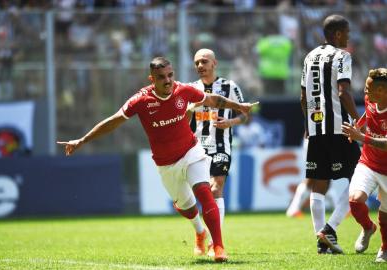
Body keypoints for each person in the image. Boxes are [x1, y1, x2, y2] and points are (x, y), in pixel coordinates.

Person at [57, 57, 257, 262]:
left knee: (205, 192)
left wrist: (238, 105)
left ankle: (218, 247)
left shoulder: (182, 90)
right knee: (188, 209)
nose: (168, 81)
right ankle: (200, 232)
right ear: (151, 78)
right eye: (161, 77)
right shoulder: (140, 100)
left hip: (191, 151)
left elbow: (212, 99)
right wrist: (82, 140)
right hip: (166, 164)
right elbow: (113, 121)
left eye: (170, 75)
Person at [300, 14, 361, 254]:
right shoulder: (342, 56)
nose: (349, 36)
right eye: (346, 32)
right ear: (337, 34)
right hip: (339, 128)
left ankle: (321, 243)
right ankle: (329, 229)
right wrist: (358, 121)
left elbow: (303, 97)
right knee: (360, 179)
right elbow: (344, 92)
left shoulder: (309, 56)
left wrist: (307, 125)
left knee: (319, 184)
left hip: (316, 129)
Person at [187, 48, 249, 257]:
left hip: (221, 146)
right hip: (195, 149)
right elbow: (183, 117)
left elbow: (244, 114)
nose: (200, 66)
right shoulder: (190, 89)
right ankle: (200, 233)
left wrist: (229, 122)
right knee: (196, 195)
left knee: (216, 188)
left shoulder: (229, 86)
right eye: (196, 63)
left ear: (215, 63)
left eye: (204, 61)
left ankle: (216, 242)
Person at [342, 68, 387, 263]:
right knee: (355, 199)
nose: (365, 92)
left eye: (369, 88)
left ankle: (384, 249)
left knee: (385, 216)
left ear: (382, 91)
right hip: (368, 162)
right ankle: (368, 228)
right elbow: (367, 116)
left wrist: (361, 137)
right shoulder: (371, 101)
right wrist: (358, 127)